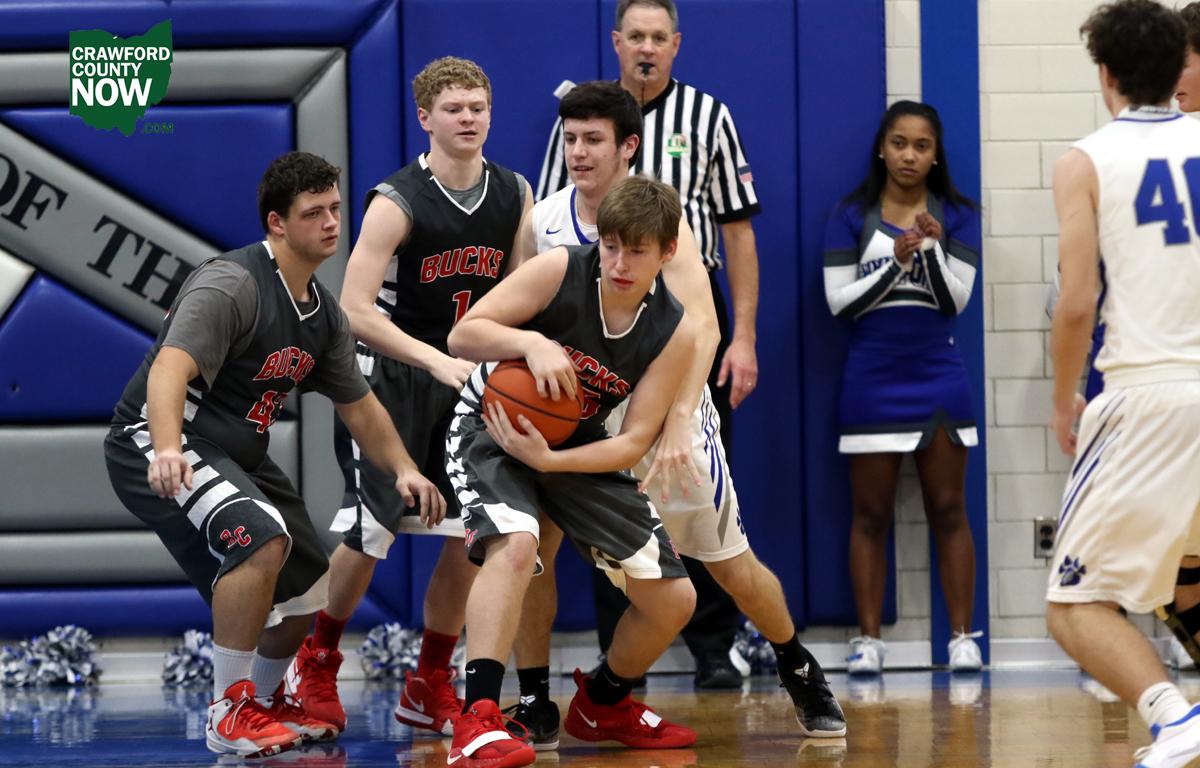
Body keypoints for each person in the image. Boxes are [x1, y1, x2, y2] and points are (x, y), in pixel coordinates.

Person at [502, 80, 844, 750]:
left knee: (729, 564)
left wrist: (683, 417)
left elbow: (703, 327)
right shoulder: (542, 221)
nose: (579, 152)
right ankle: (538, 698)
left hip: (665, 416)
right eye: (570, 140)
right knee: (534, 549)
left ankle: (795, 662)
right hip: (580, 419)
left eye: (593, 140)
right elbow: (515, 315)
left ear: (627, 146)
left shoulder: (664, 223)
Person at [103, 151, 445, 757]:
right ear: (277, 223)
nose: (331, 223)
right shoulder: (232, 283)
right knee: (260, 538)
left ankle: (262, 701)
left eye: (335, 209)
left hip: (237, 452)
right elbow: (168, 370)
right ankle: (228, 710)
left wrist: (405, 469)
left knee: (308, 586)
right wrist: (166, 448)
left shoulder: (324, 313)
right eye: (313, 213)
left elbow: (359, 404)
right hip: (159, 439)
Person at [284, 57, 533, 737]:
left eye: (478, 107)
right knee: (371, 528)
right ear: (425, 117)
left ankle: (429, 681)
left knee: (467, 535)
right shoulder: (395, 200)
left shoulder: (515, 192)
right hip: (390, 377)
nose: (468, 118)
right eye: (454, 108)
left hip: (467, 380)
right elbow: (355, 308)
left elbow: (520, 293)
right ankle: (317, 661)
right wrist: (435, 359)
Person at [536, 0, 757, 690]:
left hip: (688, 311)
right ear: (617, 41)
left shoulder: (709, 116)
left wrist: (744, 336)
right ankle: (619, 664)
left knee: (694, 481)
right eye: (636, 35)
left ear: (676, 45)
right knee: (614, 490)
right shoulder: (580, 121)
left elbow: (737, 231)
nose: (647, 48)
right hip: (601, 315)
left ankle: (715, 646)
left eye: (659, 37)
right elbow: (544, 224)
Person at [444, 176, 702, 768]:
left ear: (667, 252)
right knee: (517, 544)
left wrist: (552, 462)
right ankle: (477, 718)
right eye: (611, 246)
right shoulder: (560, 268)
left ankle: (603, 702)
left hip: (572, 442)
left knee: (675, 598)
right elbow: (463, 335)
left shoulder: (676, 330)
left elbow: (633, 440)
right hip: (492, 425)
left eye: (636, 251)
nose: (619, 263)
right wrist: (531, 344)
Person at [1046, 3, 1200, 766]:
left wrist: (1061, 399)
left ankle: (1174, 719)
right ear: (1179, 69)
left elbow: (1077, 302)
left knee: (1074, 605)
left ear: (1104, 74)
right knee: (1188, 576)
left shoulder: (1086, 160)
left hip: (1151, 394)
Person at [822, 100, 982, 675]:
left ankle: (962, 638)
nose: (909, 155)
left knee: (949, 508)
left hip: (939, 377)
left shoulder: (956, 215)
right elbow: (839, 303)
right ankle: (868, 641)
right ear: (881, 149)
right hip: (871, 379)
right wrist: (894, 260)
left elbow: (954, 302)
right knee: (870, 514)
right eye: (898, 143)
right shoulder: (850, 215)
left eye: (921, 145)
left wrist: (930, 250)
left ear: (935, 155)